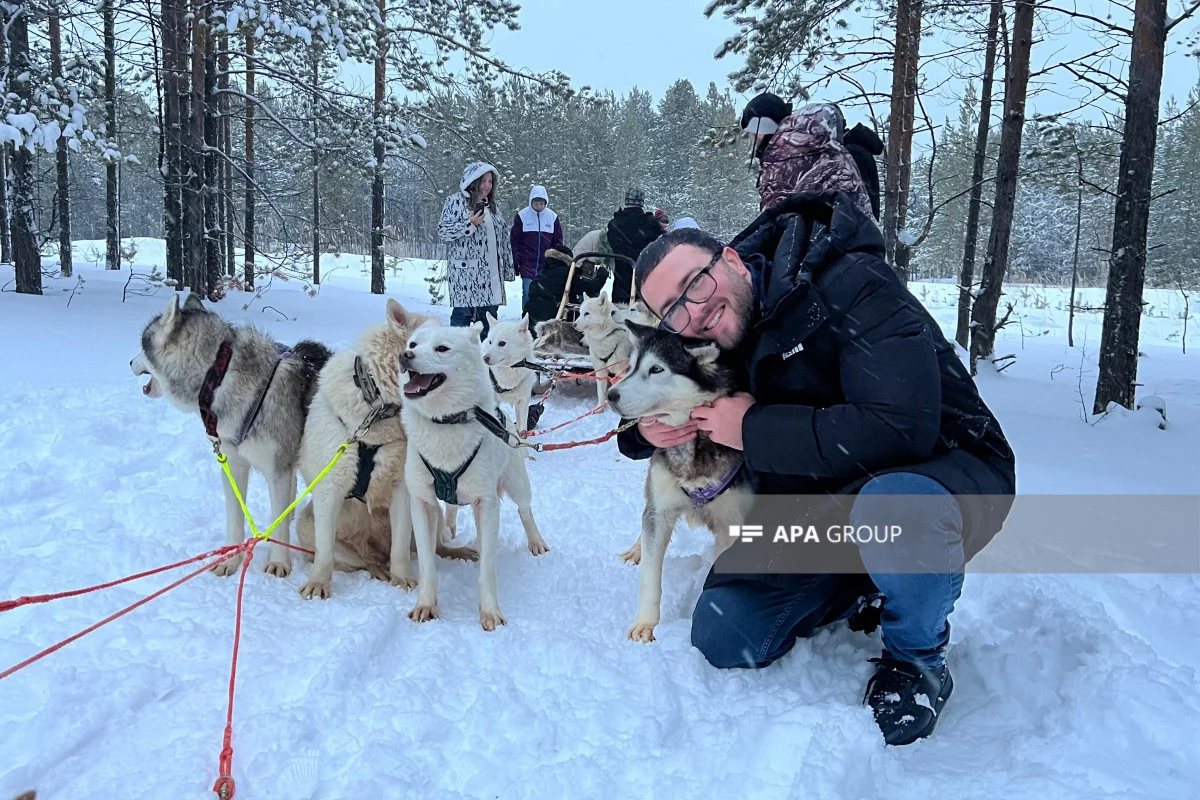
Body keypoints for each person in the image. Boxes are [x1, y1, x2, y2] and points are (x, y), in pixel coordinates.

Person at [617, 194, 1016, 746]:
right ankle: (860, 584)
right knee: (725, 631)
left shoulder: (852, 283)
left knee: (896, 509)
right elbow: (672, 386)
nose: (695, 310)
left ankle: (916, 658)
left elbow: (902, 427)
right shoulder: (719, 331)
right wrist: (645, 432)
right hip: (825, 498)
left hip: (939, 472)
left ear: (731, 260)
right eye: (674, 310)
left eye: (696, 284)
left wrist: (753, 430)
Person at [740, 93, 877, 220]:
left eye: (752, 133)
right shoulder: (823, 151)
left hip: (831, 242)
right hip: (854, 241)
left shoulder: (785, 160)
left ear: (761, 129)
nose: (752, 140)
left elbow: (774, 222)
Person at [438, 161, 515, 339]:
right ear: (472, 181)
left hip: (490, 278)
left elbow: (503, 240)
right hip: (465, 277)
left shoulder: (493, 207)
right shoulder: (455, 201)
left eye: (490, 181)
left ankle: (484, 363)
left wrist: (508, 269)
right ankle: (455, 363)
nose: (487, 185)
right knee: (461, 323)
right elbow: (443, 232)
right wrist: (469, 224)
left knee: (488, 322)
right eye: (483, 181)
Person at [523, 245, 609, 331]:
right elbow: (592, 288)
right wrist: (602, 273)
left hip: (532, 323)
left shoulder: (542, 273)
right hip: (555, 323)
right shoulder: (567, 275)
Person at [605, 188, 663, 306]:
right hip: (645, 278)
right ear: (642, 202)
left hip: (621, 280)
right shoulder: (650, 224)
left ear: (626, 201)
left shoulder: (614, 224)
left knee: (619, 316)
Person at [510, 185, 564, 311]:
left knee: (545, 293)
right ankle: (526, 318)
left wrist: (555, 260)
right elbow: (515, 241)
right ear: (531, 202)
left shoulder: (552, 217)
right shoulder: (522, 216)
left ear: (545, 202)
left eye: (541, 203)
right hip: (527, 263)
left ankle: (541, 317)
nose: (539, 206)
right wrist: (516, 261)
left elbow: (558, 241)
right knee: (528, 292)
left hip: (546, 265)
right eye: (536, 203)